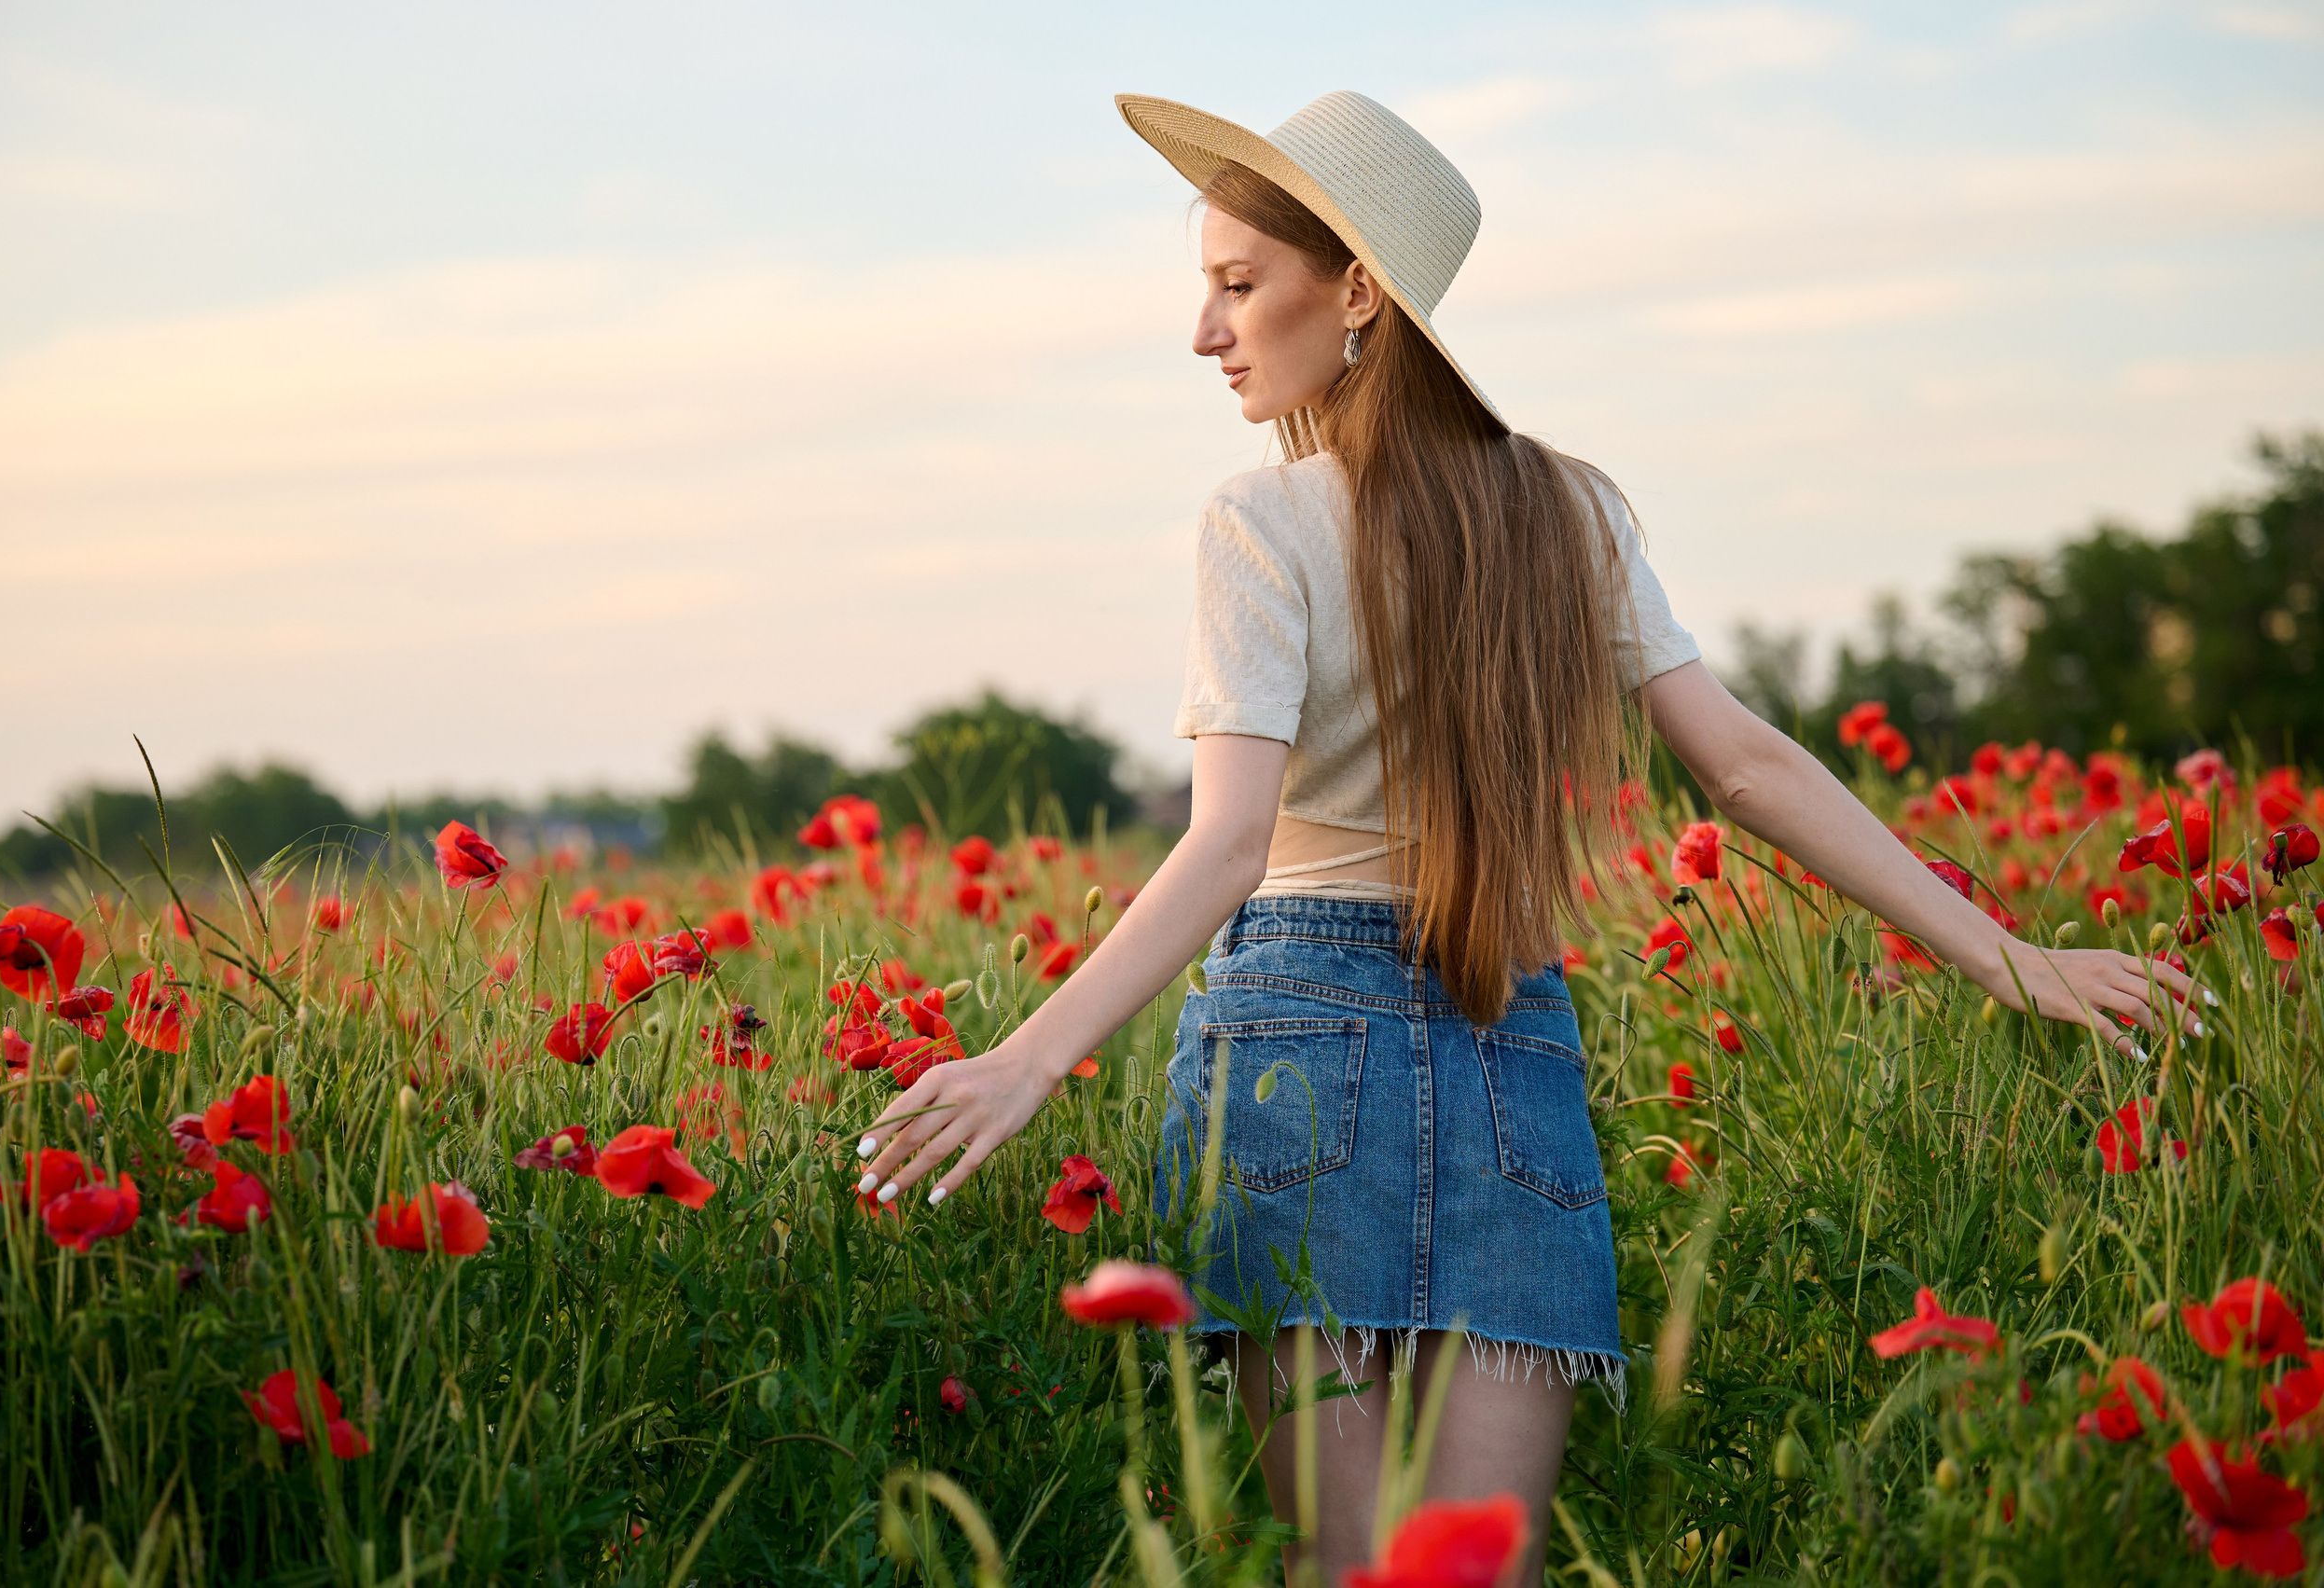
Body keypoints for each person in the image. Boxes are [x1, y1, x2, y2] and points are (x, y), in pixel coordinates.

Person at [859, 89, 2206, 1586]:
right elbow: (1749, 767)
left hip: (1298, 1049)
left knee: (1341, 1563)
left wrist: (1028, 1056)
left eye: (1238, 285)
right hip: (1518, 1051)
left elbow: (1232, 843)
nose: (1206, 331)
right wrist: (2006, 956)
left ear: (1358, 290)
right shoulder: (1570, 509)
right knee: (1467, 1570)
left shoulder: (1259, 520)